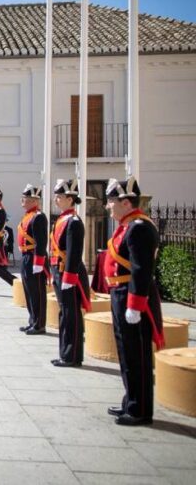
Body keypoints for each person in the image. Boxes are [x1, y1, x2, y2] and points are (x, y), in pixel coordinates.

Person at [103, 176, 163, 426]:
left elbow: (141, 269)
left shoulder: (139, 227)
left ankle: (140, 409)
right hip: (121, 293)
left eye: (111, 201)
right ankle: (130, 400)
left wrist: (135, 305)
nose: (108, 206)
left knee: (136, 354)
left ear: (126, 202)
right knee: (126, 352)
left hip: (132, 296)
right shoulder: (129, 225)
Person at [50, 179, 91, 366]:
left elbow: (74, 252)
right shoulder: (62, 219)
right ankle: (65, 353)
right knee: (65, 313)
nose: (56, 200)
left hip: (68, 273)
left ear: (70, 199)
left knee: (71, 314)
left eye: (59, 197)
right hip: (60, 271)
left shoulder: (73, 222)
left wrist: (69, 276)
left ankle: (71, 356)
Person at [17, 185, 49, 335]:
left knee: (37, 293)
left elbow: (41, 242)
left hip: (34, 257)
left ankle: (39, 324)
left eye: (26, 199)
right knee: (29, 291)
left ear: (34, 201)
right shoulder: (28, 215)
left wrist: (38, 262)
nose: (22, 201)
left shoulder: (38, 216)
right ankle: (32, 320)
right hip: (26, 256)